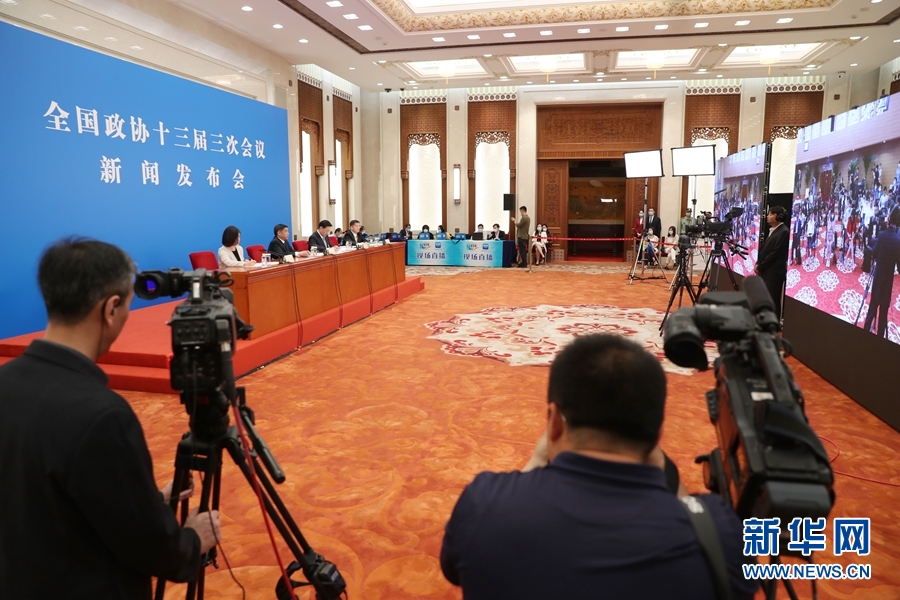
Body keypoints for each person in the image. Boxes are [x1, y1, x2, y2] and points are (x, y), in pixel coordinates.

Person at [440, 334, 756, 600]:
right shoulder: (720, 532)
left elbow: (453, 568)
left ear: (554, 422)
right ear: (658, 433)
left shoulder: (483, 504)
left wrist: (536, 462)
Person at [0, 238, 221, 598]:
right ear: (111, 308)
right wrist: (194, 539)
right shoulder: (104, 415)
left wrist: (148, 501)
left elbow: (49, 496)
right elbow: (152, 549)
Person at [863, 207, 900, 338]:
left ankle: (864, 336)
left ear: (889, 219)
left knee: (872, 310)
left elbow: (874, 253)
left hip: (878, 281)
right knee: (883, 316)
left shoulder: (881, 235)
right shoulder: (898, 241)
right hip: (887, 285)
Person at [755, 206, 790, 321]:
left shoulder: (784, 231)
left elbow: (775, 253)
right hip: (767, 271)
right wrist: (758, 263)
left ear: (778, 216)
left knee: (773, 299)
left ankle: (773, 323)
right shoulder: (774, 230)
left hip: (774, 272)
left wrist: (761, 266)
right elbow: (766, 250)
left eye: (770, 214)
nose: (767, 216)